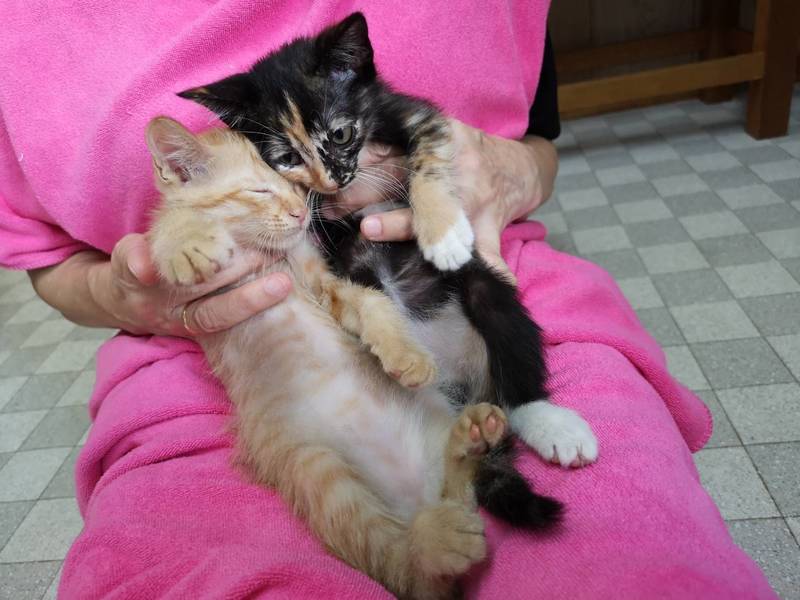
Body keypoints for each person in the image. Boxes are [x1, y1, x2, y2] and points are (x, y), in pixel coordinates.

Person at [0, 2, 775, 598]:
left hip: (466, 271)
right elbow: (47, 254)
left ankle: (474, 463)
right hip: (193, 359)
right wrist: (117, 288)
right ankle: (420, 544)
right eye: (286, 172)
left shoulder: (341, 135)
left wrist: (511, 170)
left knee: (637, 565)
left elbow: (536, 143)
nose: (306, 195)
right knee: (254, 525)